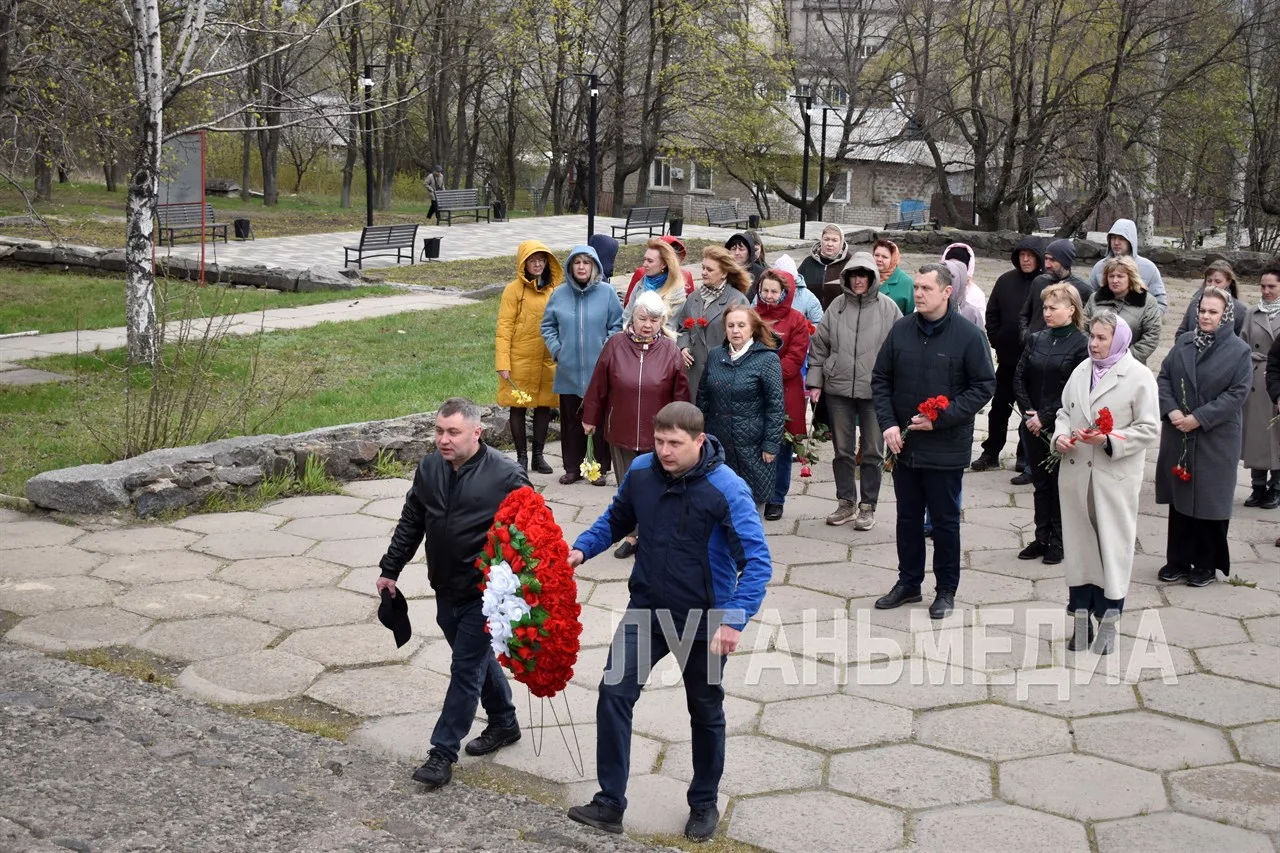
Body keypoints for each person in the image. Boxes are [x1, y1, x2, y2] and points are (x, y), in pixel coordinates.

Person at [565, 401, 772, 843]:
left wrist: (734, 620)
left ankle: (703, 803)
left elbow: (756, 562)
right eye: (659, 441)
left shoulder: (726, 489)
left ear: (699, 440)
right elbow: (616, 519)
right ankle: (609, 803)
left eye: (674, 443)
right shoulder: (641, 472)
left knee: (705, 709)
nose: (664, 451)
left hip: (705, 621)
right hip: (647, 611)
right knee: (614, 693)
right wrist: (582, 549)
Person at [376, 398, 530, 789]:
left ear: (477, 432)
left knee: (464, 669)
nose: (443, 440)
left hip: (486, 595)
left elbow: (532, 537)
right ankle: (504, 722)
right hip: (445, 589)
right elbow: (412, 521)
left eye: (453, 432)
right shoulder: (429, 469)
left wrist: (520, 592)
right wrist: (390, 570)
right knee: (475, 662)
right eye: (439, 431)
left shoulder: (507, 475)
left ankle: (442, 753)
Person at [871, 263, 996, 619]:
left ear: (946, 291)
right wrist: (888, 425)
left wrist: (942, 416)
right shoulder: (901, 331)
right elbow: (881, 380)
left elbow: (984, 385)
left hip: (946, 447)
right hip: (904, 446)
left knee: (944, 522)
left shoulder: (969, 336)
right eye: (917, 288)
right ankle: (908, 583)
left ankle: (945, 590)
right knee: (907, 518)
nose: (918, 294)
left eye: (926, 288)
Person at [1052, 314, 1160, 654]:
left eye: (1102, 338)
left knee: (1111, 549)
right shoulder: (1081, 371)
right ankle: (1080, 622)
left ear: (1118, 341)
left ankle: (1110, 622)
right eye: (1092, 337)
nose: (1094, 344)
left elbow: (1149, 428)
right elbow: (1065, 411)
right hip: (1076, 474)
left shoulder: (1139, 377)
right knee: (1080, 549)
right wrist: (1060, 436)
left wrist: (1110, 438)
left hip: (1114, 478)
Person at [1155, 287, 1252, 587]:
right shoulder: (1184, 342)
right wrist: (1171, 411)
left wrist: (1200, 417)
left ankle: (1206, 565)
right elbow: (1164, 378)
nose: (1206, 316)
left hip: (1215, 437)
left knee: (1210, 501)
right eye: (1202, 311)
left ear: (1226, 316)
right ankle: (1179, 560)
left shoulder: (1239, 351)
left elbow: (1237, 393)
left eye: (1213, 312)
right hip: (1179, 432)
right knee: (1181, 500)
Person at [582, 290, 691, 558]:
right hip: (622, 428)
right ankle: (631, 535)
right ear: (633, 316)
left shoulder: (670, 349)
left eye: (654, 321)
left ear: (662, 322)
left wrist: (681, 430)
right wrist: (589, 418)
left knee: (660, 486)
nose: (647, 325)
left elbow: (681, 394)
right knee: (628, 486)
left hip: (659, 436)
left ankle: (655, 536)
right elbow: (598, 385)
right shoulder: (615, 344)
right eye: (643, 318)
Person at [807, 252, 902, 529]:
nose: (858, 280)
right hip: (838, 389)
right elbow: (820, 345)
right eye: (853, 274)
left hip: (875, 393)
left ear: (872, 277)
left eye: (863, 274)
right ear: (846, 277)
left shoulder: (888, 308)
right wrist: (815, 382)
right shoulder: (836, 306)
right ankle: (846, 502)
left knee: (873, 451)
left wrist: (895, 385)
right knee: (842, 451)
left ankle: (868, 506)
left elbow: (899, 349)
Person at [1014, 284, 1090, 566]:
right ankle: (1041, 536)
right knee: (1040, 484)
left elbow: (1074, 388)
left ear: (1070, 310)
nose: (1047, 312)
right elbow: (1019, 376)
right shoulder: (1036, 339)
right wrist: (1029, 412)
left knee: (1061, 485)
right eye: (1045, 307)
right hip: (1032, 423)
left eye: (1053, 307)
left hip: (1061, 426)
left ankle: (1060, 540)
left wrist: (1045, 417)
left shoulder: (1082, 344)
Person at [541, 244, 624, 485]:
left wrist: (606, 351)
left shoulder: (607, 293)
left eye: (586, 263)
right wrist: (558, 350)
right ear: (570, 267)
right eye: (577, 262)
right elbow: (547, 326)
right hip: (569, 370)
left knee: (598, 420)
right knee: (570, 421)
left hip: (600, 371)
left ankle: (598, 468)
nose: (581, 267)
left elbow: (617, 326)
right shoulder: (559, 294)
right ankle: (572, 468)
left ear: (594, 266)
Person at [697, 303, 786, 511]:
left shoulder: (767, 359)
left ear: (752, 328)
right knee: (718, 503)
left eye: (741, 325)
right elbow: (703, 398)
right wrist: (698, 436)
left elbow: (775, 405)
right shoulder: (715, 355)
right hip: (718, 441)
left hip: (753, 446)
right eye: (730, 326)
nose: (735, 330)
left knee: (749, 507)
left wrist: (771, 444)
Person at [974, 237, 1044, 474]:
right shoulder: (1005, 281)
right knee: (999, 408)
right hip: (1007, 359)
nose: (1025, 259)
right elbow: (991, 314)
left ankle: (1025, 454)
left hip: (1034, 363)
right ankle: (991, 451)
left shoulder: (1045, 284)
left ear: (1039, 257)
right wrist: (998, 342)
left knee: (1029, 410)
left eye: (1030, 255)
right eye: (1022, 255)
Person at [496, 240, 562, 473]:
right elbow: (504, 328)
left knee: (544, 406)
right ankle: (521, 457)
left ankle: (538, 456)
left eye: (542, 260)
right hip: (519, 358)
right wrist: (503, 362)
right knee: (518, 407)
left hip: (547, 358)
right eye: (533, 260)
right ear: (523, 263)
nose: (537, 264)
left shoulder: (554, 290)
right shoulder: (513, 290)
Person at [756, 270, 813, 520]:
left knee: (780, 445)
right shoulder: (751, 316)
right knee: (755, 443)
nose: (769, 296)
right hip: (753, 390)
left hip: (784, 390)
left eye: (774, 292)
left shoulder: (796, 320)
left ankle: (776, 497)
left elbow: (796, 357)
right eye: (765, 291)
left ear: (784, 294)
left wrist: (765, 373)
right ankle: (756, 491)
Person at [673, 246, 750, 402]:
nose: (704, 272)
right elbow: (682, 328)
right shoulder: (694, 297)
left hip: (723, 374)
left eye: (709, 269)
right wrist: (683, 346)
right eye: (703, 268)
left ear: (724, 273)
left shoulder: (737, 300)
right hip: (694, 374)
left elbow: (746, 340)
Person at [1243, 264, 1280, 508]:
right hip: (1255, 378)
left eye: (1272, 286)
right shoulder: (1252, 312)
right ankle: (1257, 485)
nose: (1266, 291)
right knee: (1255, 435)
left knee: (1276, 437)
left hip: (1277, 381)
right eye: (1263, 286)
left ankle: (1276, 487)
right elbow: (1242, 342)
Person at [1085, 257, 1162, 365]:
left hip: (1129, 366)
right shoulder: (1094, 299)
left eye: (1120, 276)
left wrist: (1124, 358)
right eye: (1111, 276)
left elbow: (1151, 337)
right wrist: (1093, 350)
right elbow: (1082, 327)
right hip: (1095, 362)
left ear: (1131, 278)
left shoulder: (1147, 302)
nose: (1114, 280)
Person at [1087, 218, 1169, 312]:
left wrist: (1146, 321)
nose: (1116, 243)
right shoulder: (1099, 267)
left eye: (1121, 238)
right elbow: (1090, 301)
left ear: (1131, 241)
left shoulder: (1148, 268)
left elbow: (1161, 303)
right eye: (1113, 238)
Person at [1020, 238, 1094, 341]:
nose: (1047, 264)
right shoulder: (1038, 282)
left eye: (1053, 260)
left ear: (1066, 262)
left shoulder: (1083, 289)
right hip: (1033, 346)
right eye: (1046, 258)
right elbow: (1024, 314)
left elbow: (1089, 324)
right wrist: (1025, 335)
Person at [622, 238, 689, 326]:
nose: (644, 264)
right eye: (644, 259)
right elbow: (627, 316)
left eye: (650, 261)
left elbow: (671, 326)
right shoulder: (640, 284)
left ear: (664, 264)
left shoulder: (676, 292)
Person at [1175, 261, 1248, 337]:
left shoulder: (1240, 310)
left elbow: (1241, 342)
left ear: (1228, 282)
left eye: (1218, 282)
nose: (1212, 285)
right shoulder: (1195, 302)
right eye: (1209, 281)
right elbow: (1181, 333)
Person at [623, 235, 696, 304]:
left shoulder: (685, 276)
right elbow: (628, 304)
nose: (645, 264)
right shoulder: (642, 273)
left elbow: (690, 305)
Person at [798, 224, 853, 311]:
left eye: (834, 240)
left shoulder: (850, 264)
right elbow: (797, 288)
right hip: (810, 318)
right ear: (821, 240)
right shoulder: (808, 263)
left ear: (841, 243)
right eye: (826, 239)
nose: (829, 244)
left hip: (838, 317)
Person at [763, 254, 824, 323]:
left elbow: (819, 323)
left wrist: (802, 331)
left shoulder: (808, 298)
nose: (769, 296)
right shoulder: (763, 293)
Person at [942, 242, 987, 319]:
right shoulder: (933, 288)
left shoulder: (976, 295)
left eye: (959, 267)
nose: (954, 271)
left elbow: (979, 325)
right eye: (950, 265)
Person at [872, 238, 916, 315]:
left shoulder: (906, 282)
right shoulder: (866, 275)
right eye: (876, 255)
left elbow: (911, 314)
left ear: (893, 259)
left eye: (885, 257)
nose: (879, 259)